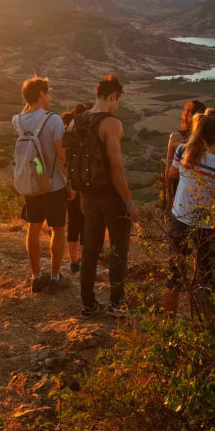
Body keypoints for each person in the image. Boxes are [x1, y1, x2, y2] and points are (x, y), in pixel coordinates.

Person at [164, 107, 215, 316]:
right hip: (210, 230)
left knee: (174, 276)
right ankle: (204, 332)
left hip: (179, 221)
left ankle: (166, 326)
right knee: (207, 283)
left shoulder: (184, 151)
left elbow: (173, 173)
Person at [71, 74, 136, 318]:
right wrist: (129, 201)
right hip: (110, 195)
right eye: (118, 101)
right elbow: (116, 167)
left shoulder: (75, 122)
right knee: (119, 250)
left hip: (87, 195)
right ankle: (117, 303)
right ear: (112, 96)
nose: (118, 106)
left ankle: (87, 304)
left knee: (90, 250)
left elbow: (71, 160)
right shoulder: (111, 124)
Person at [14, 76, 71, 294]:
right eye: (47, 93)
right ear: (41, 94)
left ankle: (36, 277)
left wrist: (28, 101)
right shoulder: (53, 120)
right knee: (58, 229)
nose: (50, 97)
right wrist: (71, 183)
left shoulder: (18, 120)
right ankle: (55, 277)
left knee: (33, 228)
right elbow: (62, 156)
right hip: (53, 184)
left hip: (31, 183)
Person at [61, 102, 93, 275]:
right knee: (83, 224)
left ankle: (74, 262)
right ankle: (80, 261)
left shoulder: (69, 132)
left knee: (74, 222)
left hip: (73, 184)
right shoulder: (80, 135)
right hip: (79, 185)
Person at [164, 100, 206, 206]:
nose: (194, 119)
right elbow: (168, 168)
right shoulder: (176, 136)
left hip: (199, 188)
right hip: (180, 186)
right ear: (186, 117)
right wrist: (168, 191)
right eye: (192, 116)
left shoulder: (204, 139)